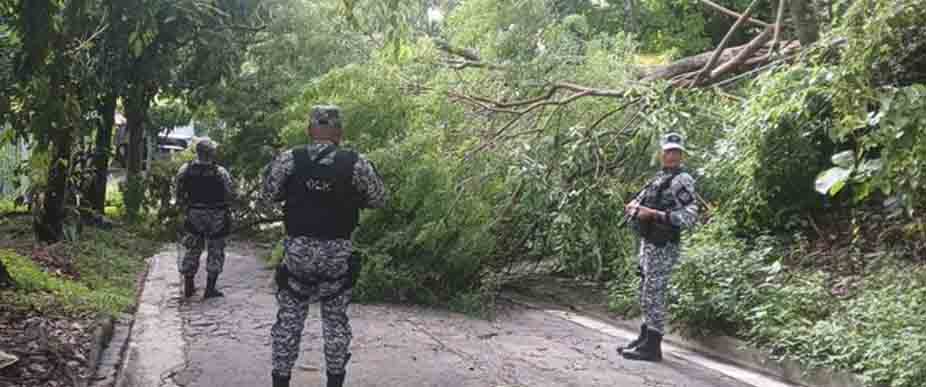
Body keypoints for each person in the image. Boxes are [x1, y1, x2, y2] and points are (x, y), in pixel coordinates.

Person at [261, 105, 386, 387]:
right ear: (339, 133)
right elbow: (378, 199)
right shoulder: (356, 163)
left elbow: (268, 194)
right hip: (336, 257)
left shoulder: (289, 159)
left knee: (289, 321)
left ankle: (280, 382)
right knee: (335, 322)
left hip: (298, 257)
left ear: (309, 130)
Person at [618, 132, 699, 362]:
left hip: (663, 246)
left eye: (676, 152)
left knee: (654, 294)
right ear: (661, 154)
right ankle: (645, 338)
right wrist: (634, 207)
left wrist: (654, 214)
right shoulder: (659, 177)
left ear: (681, 155)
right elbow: (639, 202)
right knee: (645, 291)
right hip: (649, 243)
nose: (671, 155)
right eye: (668, 151)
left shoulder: (682, 180)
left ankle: (653, 347)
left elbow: (690, 217)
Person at [175, 139, 236, 299]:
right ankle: (210, 289)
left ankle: (189, 285)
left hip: (194, 214)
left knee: (193, 248)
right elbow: (230, 193)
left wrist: (184, 209)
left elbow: (178, 192)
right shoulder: (220, 172)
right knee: (216, 250)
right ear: (211, 153)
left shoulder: (185, 169)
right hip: (217, 215)